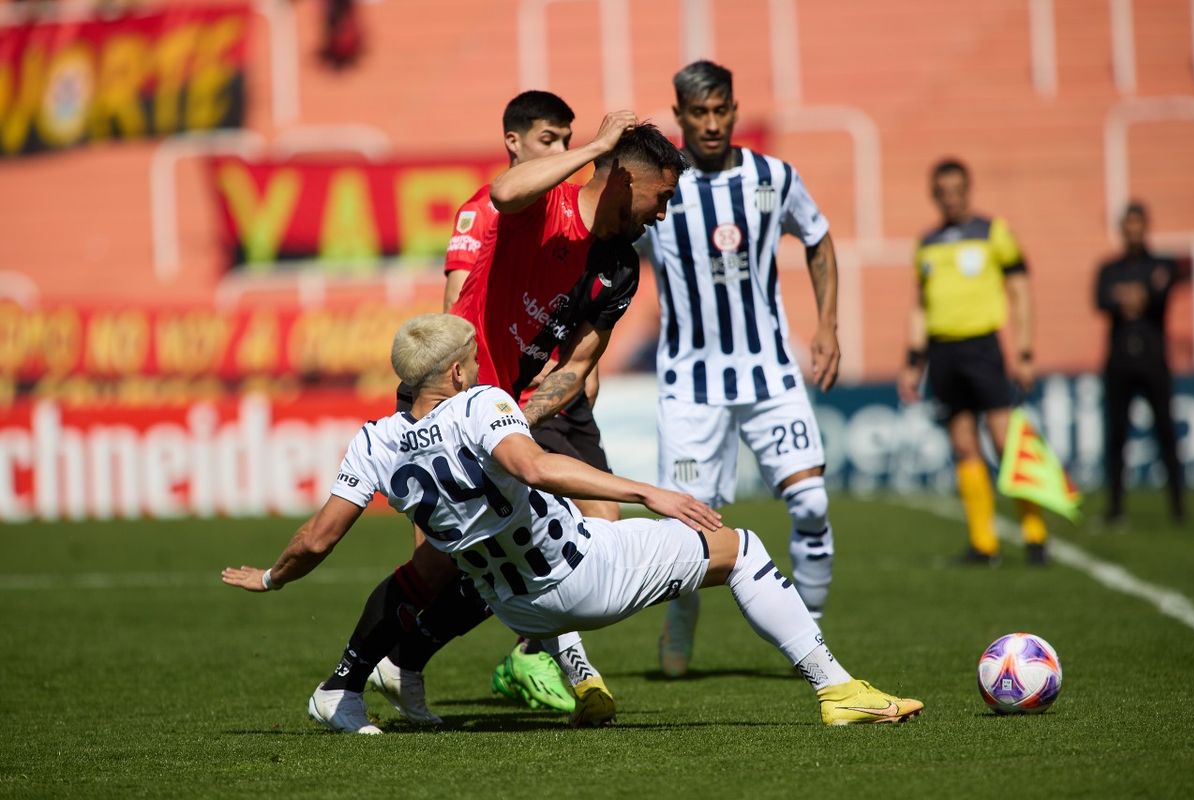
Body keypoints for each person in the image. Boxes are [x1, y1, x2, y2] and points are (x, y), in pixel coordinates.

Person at [222, 314, 925, 731]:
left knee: (445, 566)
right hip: (583, 575)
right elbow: (533, 467)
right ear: (459, 370)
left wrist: (272, 576)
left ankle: (389, 674)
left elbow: (319, 538)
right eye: (471, 357)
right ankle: (837, 689)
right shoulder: (478, 404)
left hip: (517, 607)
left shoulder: (372, 440)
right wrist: (649, 491)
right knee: (741, 548)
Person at [296, 114, 688, 732]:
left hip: (518, 407)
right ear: (621, 179)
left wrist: (510, 424)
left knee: (551, 541)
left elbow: (578, 364)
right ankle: (351, 680)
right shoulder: (537, 202)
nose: (663, 214)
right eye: (661, 198)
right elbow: (503, 196)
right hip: (460, 392)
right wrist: (595, 147)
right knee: (442, 563)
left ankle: (545, 664)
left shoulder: (621, 267)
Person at [375, 91, 622, 722]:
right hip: (476, 392)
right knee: (448, 554)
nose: (562, 153)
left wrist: (575, 368)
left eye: (569, 141)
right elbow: (458, 301)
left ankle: (545, 652)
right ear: (513, 142)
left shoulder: (576, 212)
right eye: (549, 141)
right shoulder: (487, 208)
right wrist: (461, 396)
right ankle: (383, 663)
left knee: (600, 526)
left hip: (539, 392)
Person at [644, 61, 842, 678]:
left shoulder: (773, 178)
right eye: (697, 113)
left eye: (720, 110)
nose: (710, 123)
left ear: (733, 109)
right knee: (689, 527)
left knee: (810, 503)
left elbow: (817, 237)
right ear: (677, 116)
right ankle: (680, 623)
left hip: (769, 372)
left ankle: (808, 630)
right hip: (690, 384)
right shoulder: (658, 185)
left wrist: (828, 325)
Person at [898, 158, 1048, 565]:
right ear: (935, 195)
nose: (950, 198)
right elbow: (920, 307)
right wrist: (914, 361)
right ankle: (984, 544)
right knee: (964, 445)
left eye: (956, 190)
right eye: (942, 192)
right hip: (944, 353)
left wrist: (1025, 351)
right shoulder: (926, 242)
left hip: (984, 347)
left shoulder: (992, 232)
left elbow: (1020, 292)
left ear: (968, 189)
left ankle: (1035, 535)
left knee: (1004, 442)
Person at [1095, 202, 1186, 525]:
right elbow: (1101, 299)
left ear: (1145, 226)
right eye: (1128, 224)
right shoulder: (1109, 268)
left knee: (1165, 431)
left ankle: (1178, 507)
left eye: (1138, 223)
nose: (1133, 229)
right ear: (1122, 228)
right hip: (1119, 361)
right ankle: (1115, 508)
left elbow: (1161, 293)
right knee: (1117, 434)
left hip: (1153, 360)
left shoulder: (1161, 264)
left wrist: (1137, 294)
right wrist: (1138, 295)